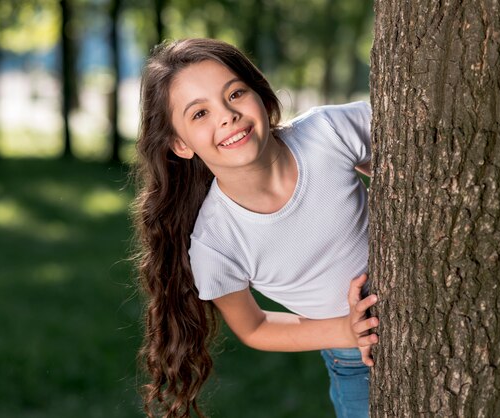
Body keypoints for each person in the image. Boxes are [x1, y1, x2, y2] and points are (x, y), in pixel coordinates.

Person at [132, 38, 379, 418]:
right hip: (359, 361)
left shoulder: (328, 132)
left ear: (262, 99)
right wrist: (345, 330)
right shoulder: (215, 244)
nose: (226, 115)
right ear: (180, 144)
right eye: (200, 114)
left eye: (235, 94)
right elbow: (255, 327)